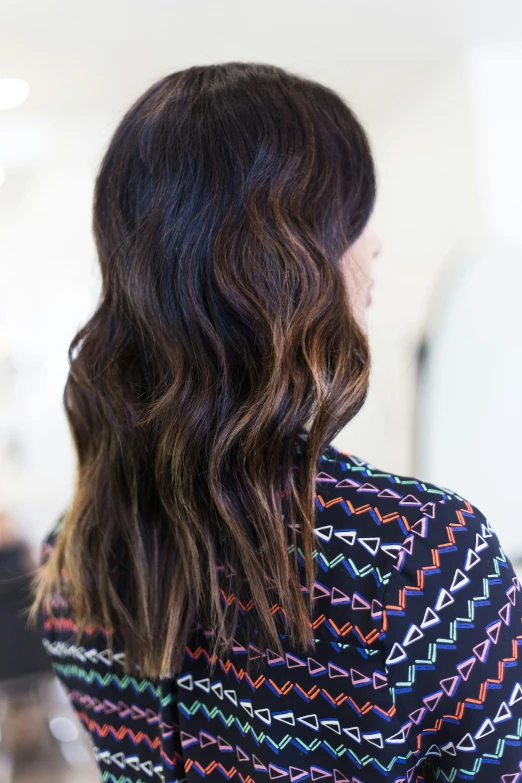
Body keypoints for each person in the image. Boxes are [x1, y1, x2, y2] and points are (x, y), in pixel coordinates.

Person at [30, 62, 522, 782]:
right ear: (280, 263)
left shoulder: (73, 558)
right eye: (349, 217)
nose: (374, 243)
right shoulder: (419, 555)